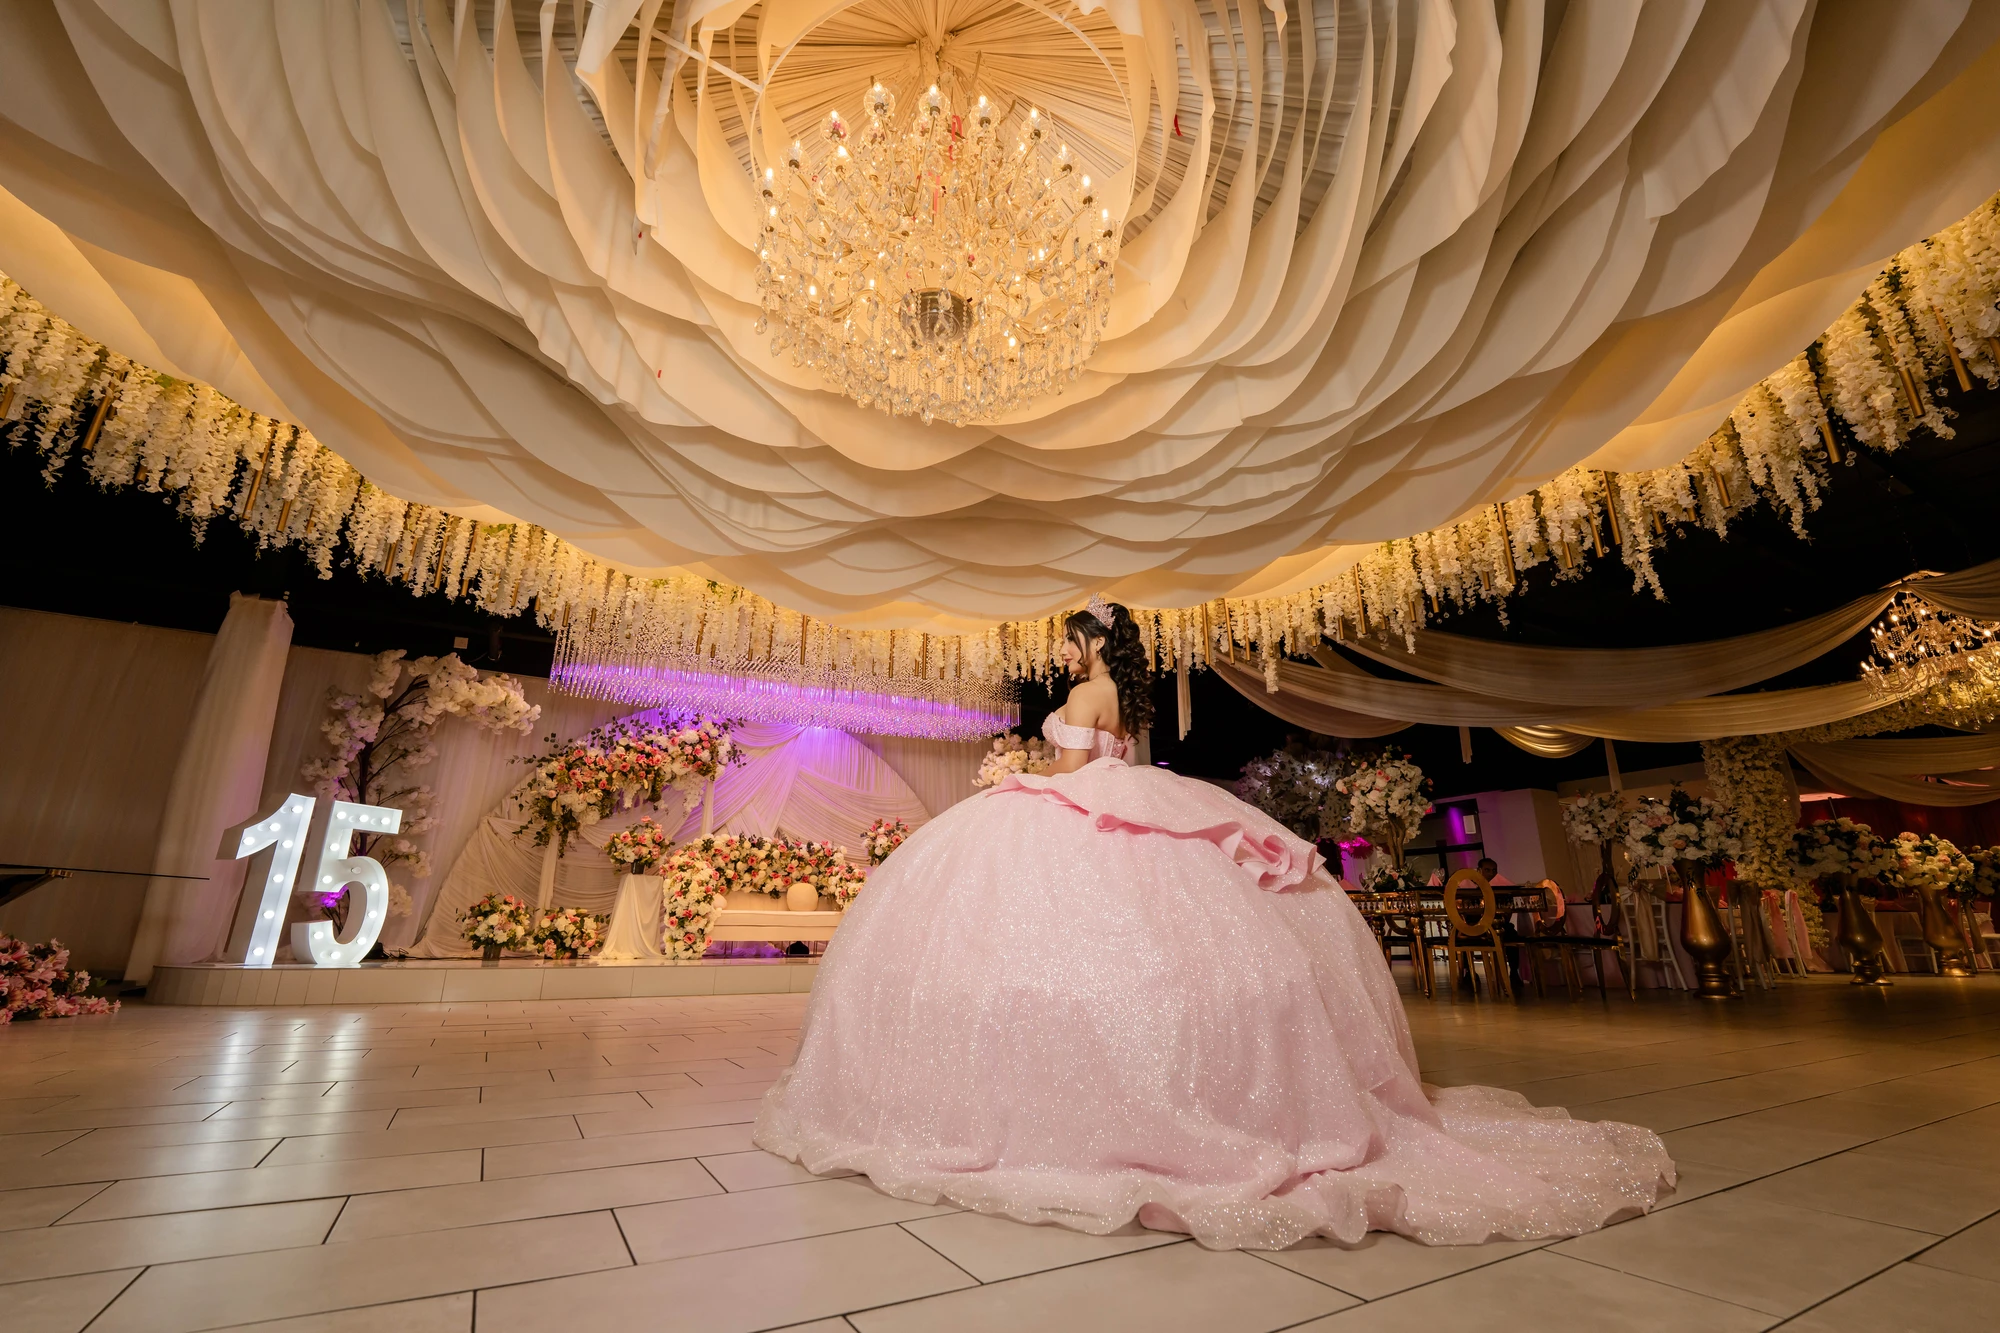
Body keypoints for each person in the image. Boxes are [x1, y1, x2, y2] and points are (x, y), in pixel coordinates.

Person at [754, 597, 1672, 1250]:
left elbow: (1073, 775)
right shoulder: (1128, 704)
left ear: (1092, 643)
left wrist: (1019, 778)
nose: (1065, 654)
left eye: (1072, 640)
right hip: (1126, 795)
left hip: (1077, 806)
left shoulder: (1081, 700)